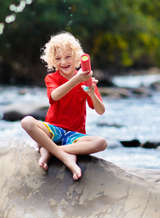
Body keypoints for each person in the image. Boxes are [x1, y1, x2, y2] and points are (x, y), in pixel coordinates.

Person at [21, 32, 107, 180]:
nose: (63, 62)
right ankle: (66, 156)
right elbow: (54, 96)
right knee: (27, 122)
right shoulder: (52, 78)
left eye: (68, 57)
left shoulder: (86, 80)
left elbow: (100, 110)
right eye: (58, 58)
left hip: (74, 135)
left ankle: (50, 150)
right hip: (53, 129)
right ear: (52, 61)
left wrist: (91, 92)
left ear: (76, 58)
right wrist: (77, 79)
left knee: (101, 143)